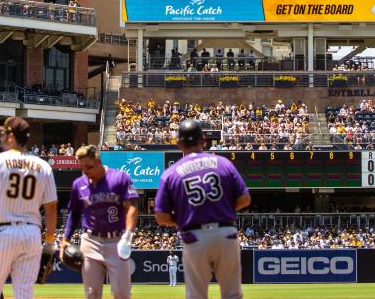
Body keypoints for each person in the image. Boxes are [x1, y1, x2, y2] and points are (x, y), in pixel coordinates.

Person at [155, 119, 250, 299]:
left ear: (178, 143)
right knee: (232, 294)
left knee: (196, 296)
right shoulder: (223, 163)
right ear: (203, 140)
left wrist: (183, 218)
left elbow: (161, 217)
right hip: (226, 233)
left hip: (194, 235)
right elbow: (245, 199)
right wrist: (223, 210)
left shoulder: (171, 173)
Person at [0, 116, 58, 299]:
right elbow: (51, 207)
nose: (0, 136)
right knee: (24, 292)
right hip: (32, 234)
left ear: (11, 137)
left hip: (3, 232)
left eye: (3, 132)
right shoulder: (43, 166)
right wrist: (49, 241)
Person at [61, 144, 138, 299]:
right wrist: (65, 239)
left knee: (122, 294)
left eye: (88, 167)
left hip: (117, 240)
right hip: (90, 241)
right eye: (82, 167)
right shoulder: (79, 184)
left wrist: (128, 236)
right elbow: (74, 213)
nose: (85, 171)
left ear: (99, 161)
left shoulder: (119, 178)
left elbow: (132, 207)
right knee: (92, 294)